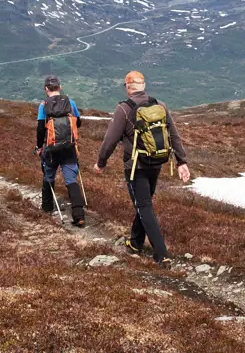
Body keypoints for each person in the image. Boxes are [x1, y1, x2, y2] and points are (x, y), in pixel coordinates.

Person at [94, 71, 190, 267]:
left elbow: (110, 140)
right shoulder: (160, 105)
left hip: (135, 166)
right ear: (143, 85)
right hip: (156, 163)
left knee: (144, 206)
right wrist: (182, 162)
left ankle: (161, 254)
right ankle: (136, 242)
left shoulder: (124, 108)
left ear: (128, 86)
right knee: (143, 202)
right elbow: (174, 135)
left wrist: (100, 163)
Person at [35, 75, 86, 227]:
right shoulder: (70, 103)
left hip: (51, 149)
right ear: (60, 87)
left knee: (48, 176)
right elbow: (79, 123)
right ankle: (79, 215)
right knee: (71, 180)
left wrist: (39, 147)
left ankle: (47, 207)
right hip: (69, 147)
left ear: (46, 89)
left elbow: (40, 129)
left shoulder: (43, 105)